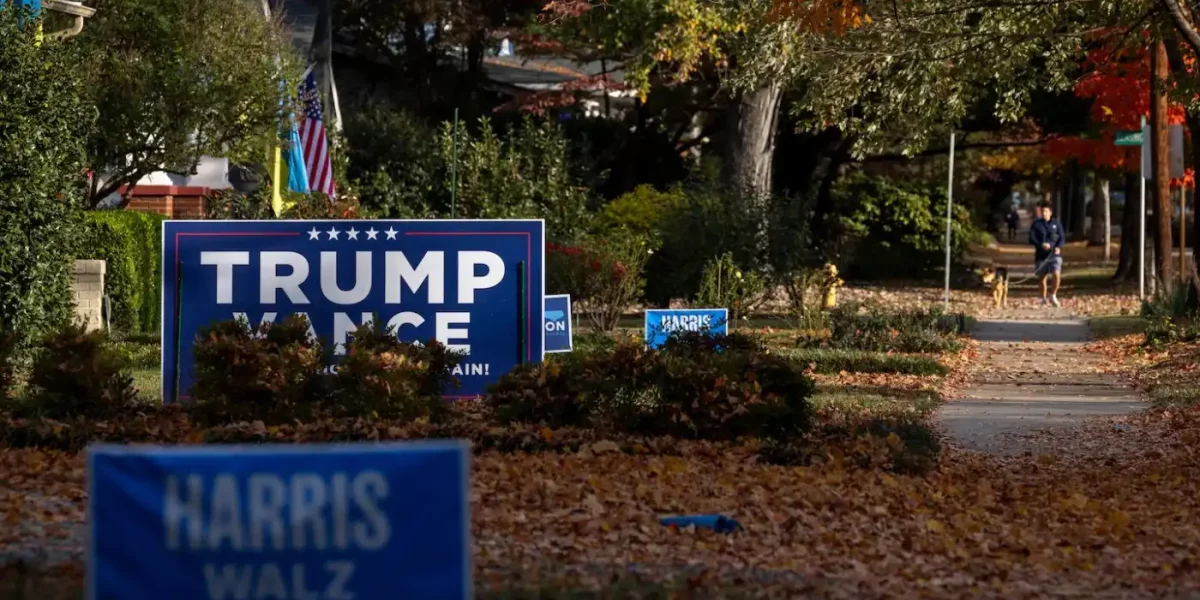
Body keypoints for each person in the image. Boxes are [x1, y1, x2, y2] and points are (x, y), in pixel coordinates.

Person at [1028, 201, 1064, 307]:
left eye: (1046, 211)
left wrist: (1058, 247)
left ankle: (1053, 294)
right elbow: (1031, 238)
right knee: (1042, 278)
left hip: (1054, 254)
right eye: (1042, 211)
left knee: (1056, 273)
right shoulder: (1036, 224)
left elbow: (1061, 238)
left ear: (1051, 212)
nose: (1044, 213)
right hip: (1041, 255)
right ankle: (1043, 298)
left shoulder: (1057, 224)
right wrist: (1041, 244)